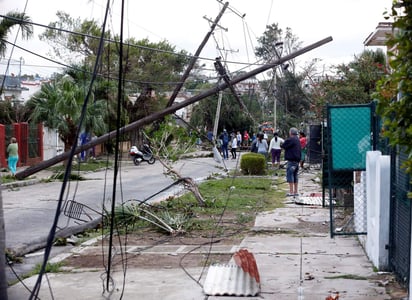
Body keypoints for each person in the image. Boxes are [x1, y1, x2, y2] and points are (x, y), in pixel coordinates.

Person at [281, 128, 301, 197]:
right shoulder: (297, 139)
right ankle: (296, 191)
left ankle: (291, 192)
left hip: (291, 161)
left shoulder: (291, 139)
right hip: (297, 161)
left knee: (290, 175)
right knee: (295, 176)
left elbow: (283, 145)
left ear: (291, 133)